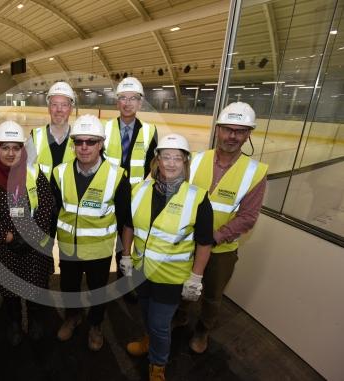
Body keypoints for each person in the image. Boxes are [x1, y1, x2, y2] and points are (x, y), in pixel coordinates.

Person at [174, 102, 269, 354]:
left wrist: (212, 238)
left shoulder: (255, 172)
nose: (232, 136)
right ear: (217, 129)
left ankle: (203, 330)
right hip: (187, 243)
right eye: (227, 129)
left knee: (212, 296)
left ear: (249, 134)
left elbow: (247, 217)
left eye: (240, 131)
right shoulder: (195, 161)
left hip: (221, 250)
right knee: (182, 285)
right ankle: (181, 316)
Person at [122, 134, 213, 381]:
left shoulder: (198, 198)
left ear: (185, 162)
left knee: (160, 324)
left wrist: (196, 277)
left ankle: (157, 364)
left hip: (170, 278)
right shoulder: (139, 190)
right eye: (166, 157)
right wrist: (126, 255)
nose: (171, 163)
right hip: (142, 271)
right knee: (145, 314)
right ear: (157, 160)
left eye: (177, 158)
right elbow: (129, 226)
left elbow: (204, 243)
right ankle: (148, 341)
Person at [52, 114, 132, 351]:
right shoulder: (59, 173)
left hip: (99, 251)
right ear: (73, 144)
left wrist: (126, 254)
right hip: (68, 248)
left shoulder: (117, 176)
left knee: (98, 292)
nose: (84, 147)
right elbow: (51, 214)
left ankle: (96, 325)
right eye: (79, 142)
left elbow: (126, 221)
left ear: (101, 144)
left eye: (91, 142)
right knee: (68, 288)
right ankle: (73, 317)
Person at [0, 120, 55, 346]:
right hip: (5, 247)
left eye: (16, 148)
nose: (10, 153)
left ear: (22, 150)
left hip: (34, 245)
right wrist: (8, 237)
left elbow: (47, 207)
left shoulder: (35, 173)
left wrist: (29, 236)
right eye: (5, 147)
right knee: (10, 290)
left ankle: (35, 318)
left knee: (35, 285)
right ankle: (14, 322)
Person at [104, 76, 158, 301]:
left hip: (136, 198)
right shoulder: (105, 129)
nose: (127, 103)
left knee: (129, 242)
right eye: (122, 98)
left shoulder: (150, 131)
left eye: (133, 98)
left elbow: (154, 167)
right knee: (108, 239)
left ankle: (125, 282)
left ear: (140, 102)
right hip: (109, 196)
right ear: (117, 102)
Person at [25, 81, 76, 180]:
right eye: (54, 104)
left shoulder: (79, 138)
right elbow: (26, 174)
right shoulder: (35, 137)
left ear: (71, 109)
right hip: (41, 195)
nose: (59, 109)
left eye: (64, 105)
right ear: (49, 108)